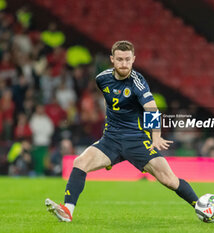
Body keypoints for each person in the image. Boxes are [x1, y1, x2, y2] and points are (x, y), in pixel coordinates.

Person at [45, 40, 198, 222]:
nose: (124, 64)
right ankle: (67, 211)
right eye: (120, 59)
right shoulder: (101, 79)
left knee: (169, 180)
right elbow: (111, 102)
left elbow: (151, 108)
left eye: (127, 59)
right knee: (80, 162)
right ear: (112, 59)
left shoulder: (138, 82)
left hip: (137, 141)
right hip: (111, 140)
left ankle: (200, 206)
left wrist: (155, 136)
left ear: (133, 59)